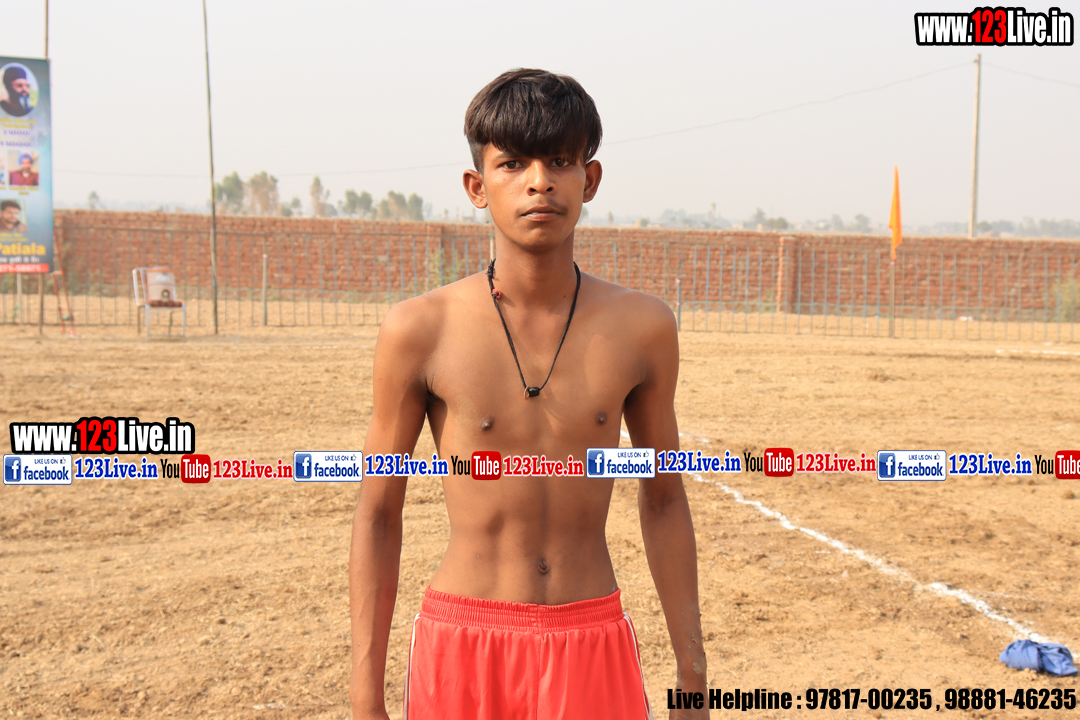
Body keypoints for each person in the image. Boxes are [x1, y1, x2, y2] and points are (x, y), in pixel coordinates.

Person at [350, 69, 708, 720]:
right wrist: (364, 696)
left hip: (590, 638)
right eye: (513, 163)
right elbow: (378, 514)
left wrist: (693, 669)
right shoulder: (420, 330)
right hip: (465, 643)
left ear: (589, 180)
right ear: (477, 186)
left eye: (560, 161)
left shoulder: (643, 328)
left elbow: (663, 498)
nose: (539, 181)